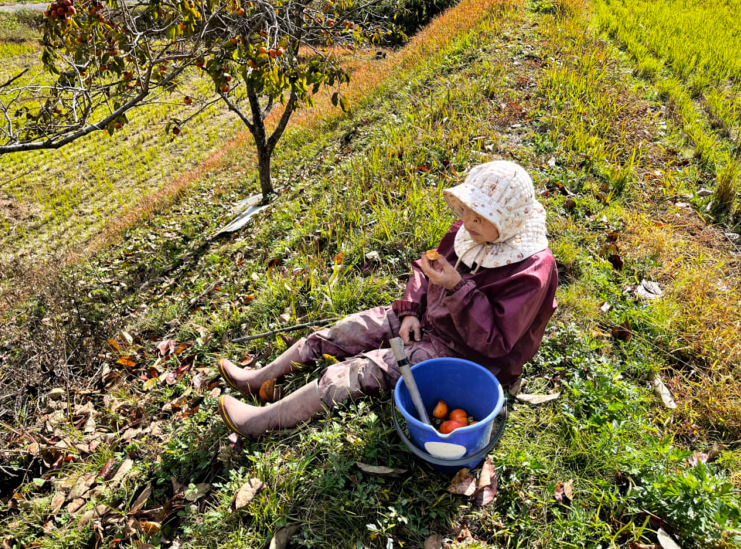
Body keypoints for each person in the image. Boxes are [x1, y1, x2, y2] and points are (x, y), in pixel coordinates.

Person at [217, 161, 558, 437]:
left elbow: (495, 343)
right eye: (466, 211)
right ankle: (261, 377)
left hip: (466, 354)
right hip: (428, 318)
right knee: (349, 330)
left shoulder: (529, 270)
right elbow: (427, 268)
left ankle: (261, 422)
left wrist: (457, 288)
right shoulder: (468, 230)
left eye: (479, 218)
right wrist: (410, 310)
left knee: (362, 370)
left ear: (508, 222)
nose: (466, 222)